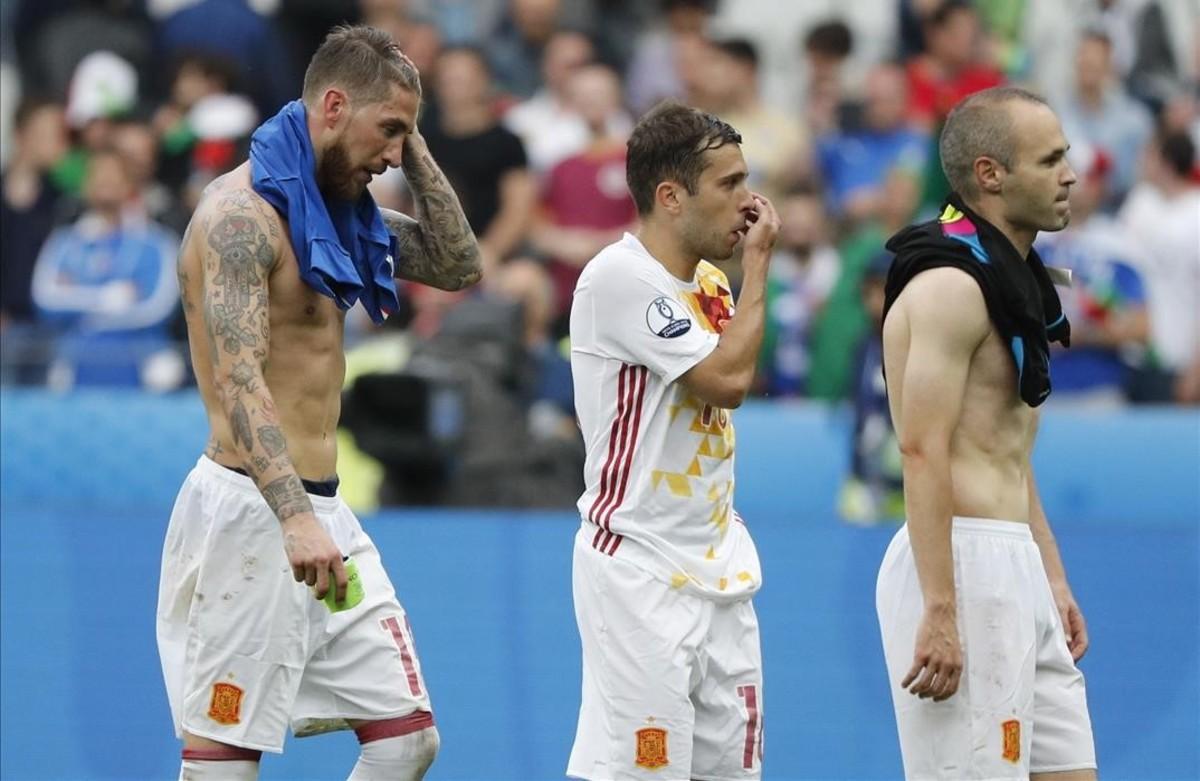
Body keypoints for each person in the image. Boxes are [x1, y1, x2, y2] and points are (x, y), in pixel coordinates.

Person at [156, 25, 481, 780]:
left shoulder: (338, 212)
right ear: (332, 105)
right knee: (223, 761)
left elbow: (460, 263)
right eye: (388, 131)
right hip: (255, 511)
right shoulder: (240, 218)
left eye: (406, 134)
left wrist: (410, 133)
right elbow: (241, 381)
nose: (395, 154)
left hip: (325, 514)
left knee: (407, 738)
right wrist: (293, 517)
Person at [875, 86, 1097, 779]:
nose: (1070, 173)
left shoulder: (1015, 279)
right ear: (991, 175)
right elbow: (921, 447)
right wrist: (941, 607)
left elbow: (1008, 446)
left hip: (1015, 562)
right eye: (1050, 159)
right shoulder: (949, 285)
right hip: (960, 560)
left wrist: (1050, 574)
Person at [567, 100, 780, 780]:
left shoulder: (712, 282)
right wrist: (763, 266)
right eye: (729, 183)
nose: (748, 202)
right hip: (640, 563)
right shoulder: (618, 277)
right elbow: (726, 378)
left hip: (719, 565)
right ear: (670, 195)